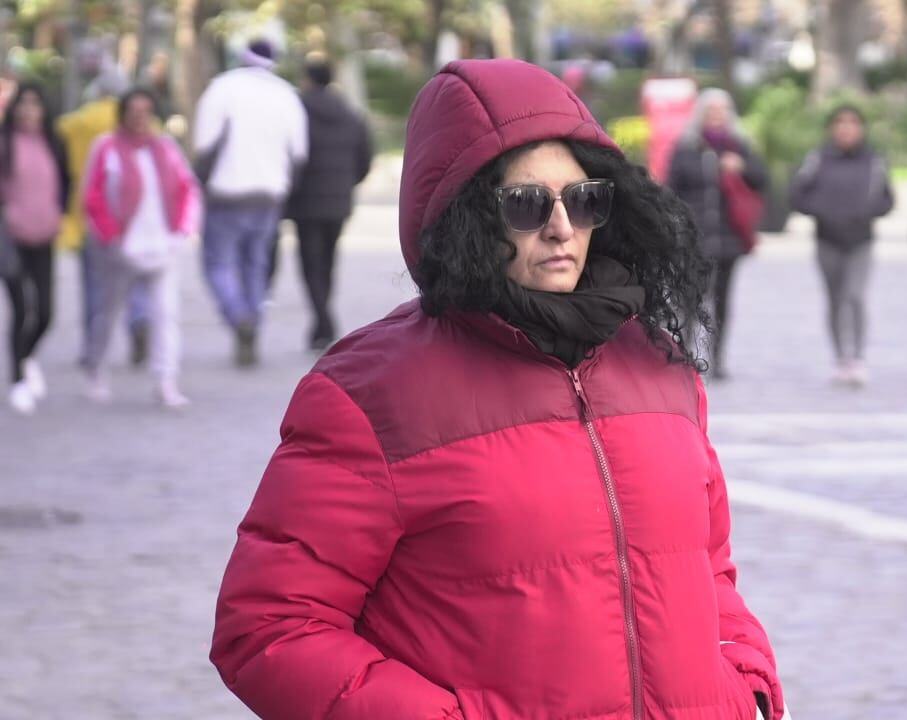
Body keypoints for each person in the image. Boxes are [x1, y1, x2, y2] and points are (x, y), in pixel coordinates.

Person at [210, 59, 785, 720]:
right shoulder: (371, 396)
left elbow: (707, 573)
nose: (562, 227)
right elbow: (269, 626)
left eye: (584, 198)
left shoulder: (657, 363)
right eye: (526, 203)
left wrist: (749, 687)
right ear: (465, 219)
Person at [81, 88, 202, 408]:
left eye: (145, 112)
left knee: (166, 314)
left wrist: (183, 230)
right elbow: (92, 196)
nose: (140, 120)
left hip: (162, 244)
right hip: (121, 249)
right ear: (122, 115)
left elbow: (187, 186)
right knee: (107, 313)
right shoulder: (106, 147)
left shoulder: (164, 147)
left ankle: (166, 379)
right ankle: (95, 367)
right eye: (133, 112)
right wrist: (110, 236)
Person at [194, 39, 307, 366]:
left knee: (217, 263)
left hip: (225, 193)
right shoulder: (287, 95)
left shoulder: (221, 90)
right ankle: (253, 321)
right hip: (269, 195)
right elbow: (299, 155)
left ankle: (238, 315)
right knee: (255, 265)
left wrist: (199, 183)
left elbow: (204, 147)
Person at [790, 104, 894, 387]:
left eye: (852, 123)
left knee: (855, 296)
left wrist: (867, 211)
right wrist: (822, 211)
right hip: (827, 240)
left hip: (860, 240)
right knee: (835, 300)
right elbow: (797, 195)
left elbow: (887, 199)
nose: (846, 129)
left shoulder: (873, 161)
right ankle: (841, 358)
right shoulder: (818, 159)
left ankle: (858, 357)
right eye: (840, 123)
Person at [668, 88, 768, 380]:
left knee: (722, 300)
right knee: (688, 298)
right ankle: (684, 353)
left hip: (728, 238)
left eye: (721, 111)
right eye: (710, 111)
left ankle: (718, 357)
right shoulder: (686, 147)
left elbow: (762, 181)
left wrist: (743, 168)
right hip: (694, 237)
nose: (716, 116)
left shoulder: (739, 146)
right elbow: (671, 188)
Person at [59, 65, 155, 369]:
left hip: (89, 211)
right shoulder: (144, 123)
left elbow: (56, 132)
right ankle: (138, 318)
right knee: (136, 277)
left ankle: (92, 346)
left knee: (96, 285)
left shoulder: (79, 121)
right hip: (137, 214)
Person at [285, 58, 373, 351]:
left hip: (305, 201)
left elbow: (288, 152)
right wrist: (346, 184)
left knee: (310, 263)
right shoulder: (349, 113)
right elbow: (365, 158)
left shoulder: (297, 111)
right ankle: (322, 321)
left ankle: (323, 320)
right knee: (328, 261)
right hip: (338, 201)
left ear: (307, 79)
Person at [1, 80, 70, 415]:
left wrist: (60, 215)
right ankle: (17, 380)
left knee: (45, 313)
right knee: (20, 310)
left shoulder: (53, 142)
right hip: (10, 240)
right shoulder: (4, 143)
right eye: (23, 103)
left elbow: (65, 183)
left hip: (44, 236)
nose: (29, 110)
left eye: (35, 103)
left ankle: (26, 356)